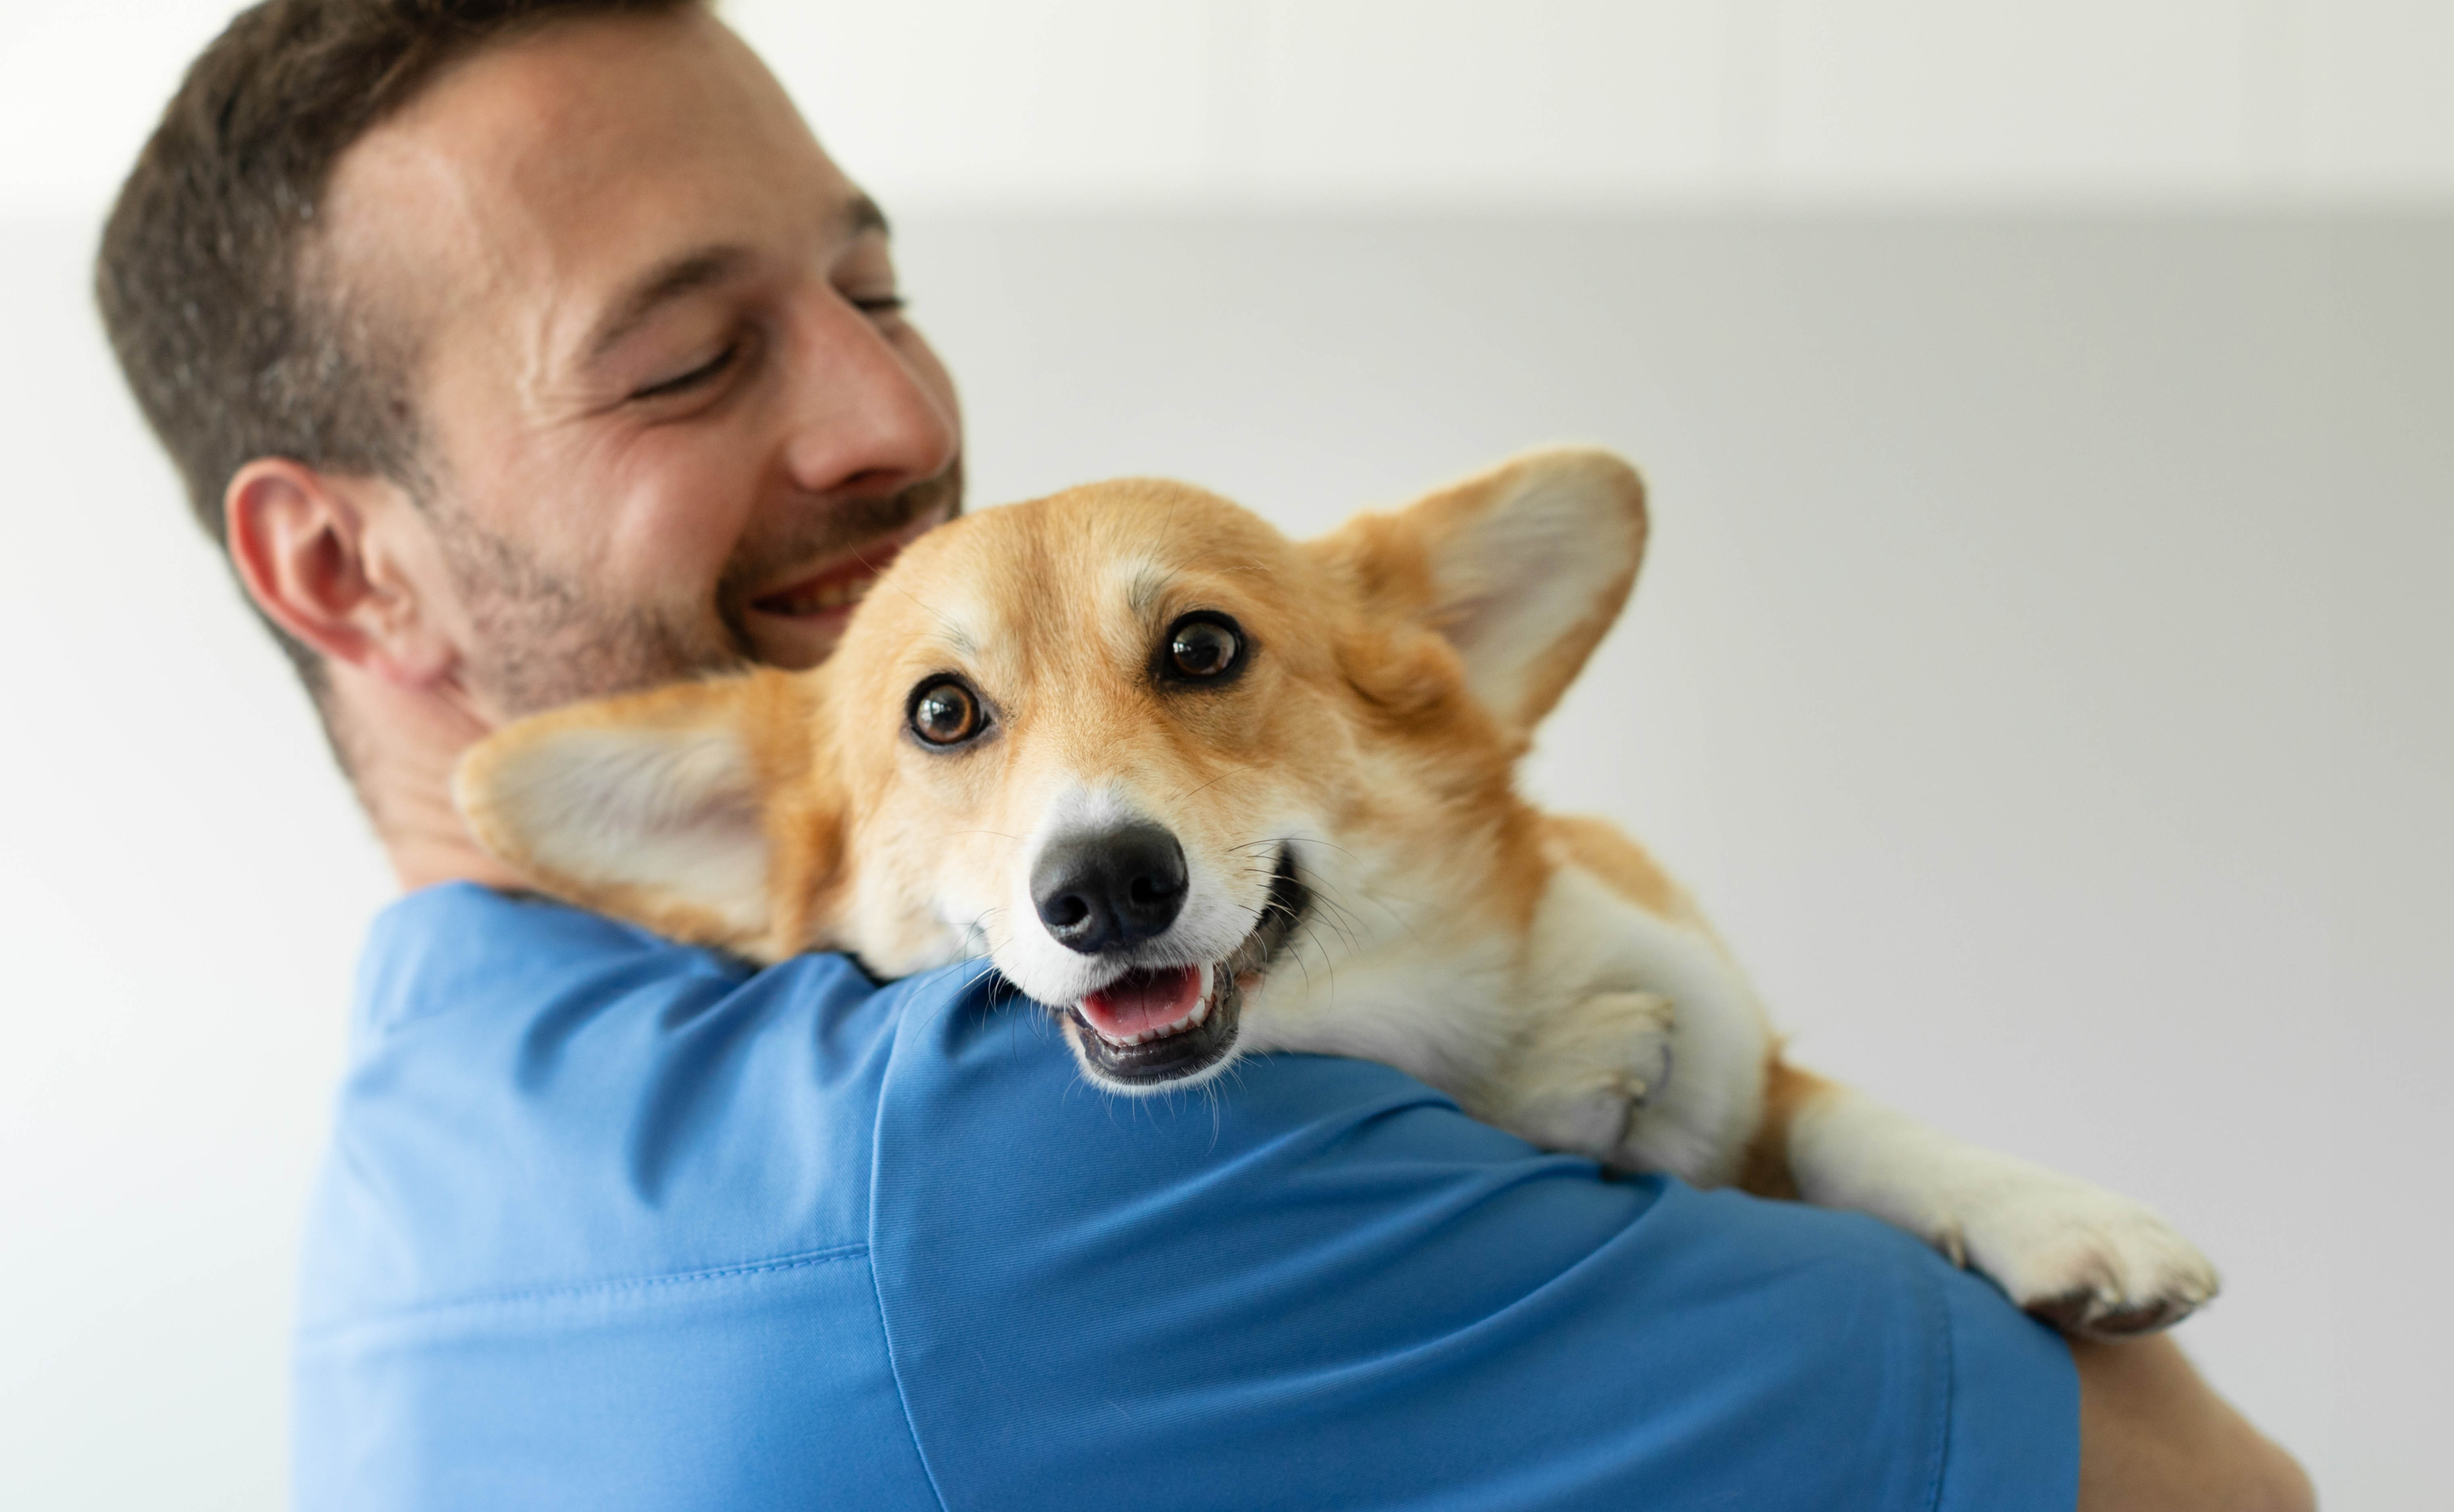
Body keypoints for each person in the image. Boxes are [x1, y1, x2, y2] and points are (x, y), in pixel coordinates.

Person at [97, 2, 2313, 1508]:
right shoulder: (1012, 1142)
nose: (894, 424)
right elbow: (2208, 1482)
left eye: (874, 287)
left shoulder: (418, 1184)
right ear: (341, 566)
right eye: (685, 363)